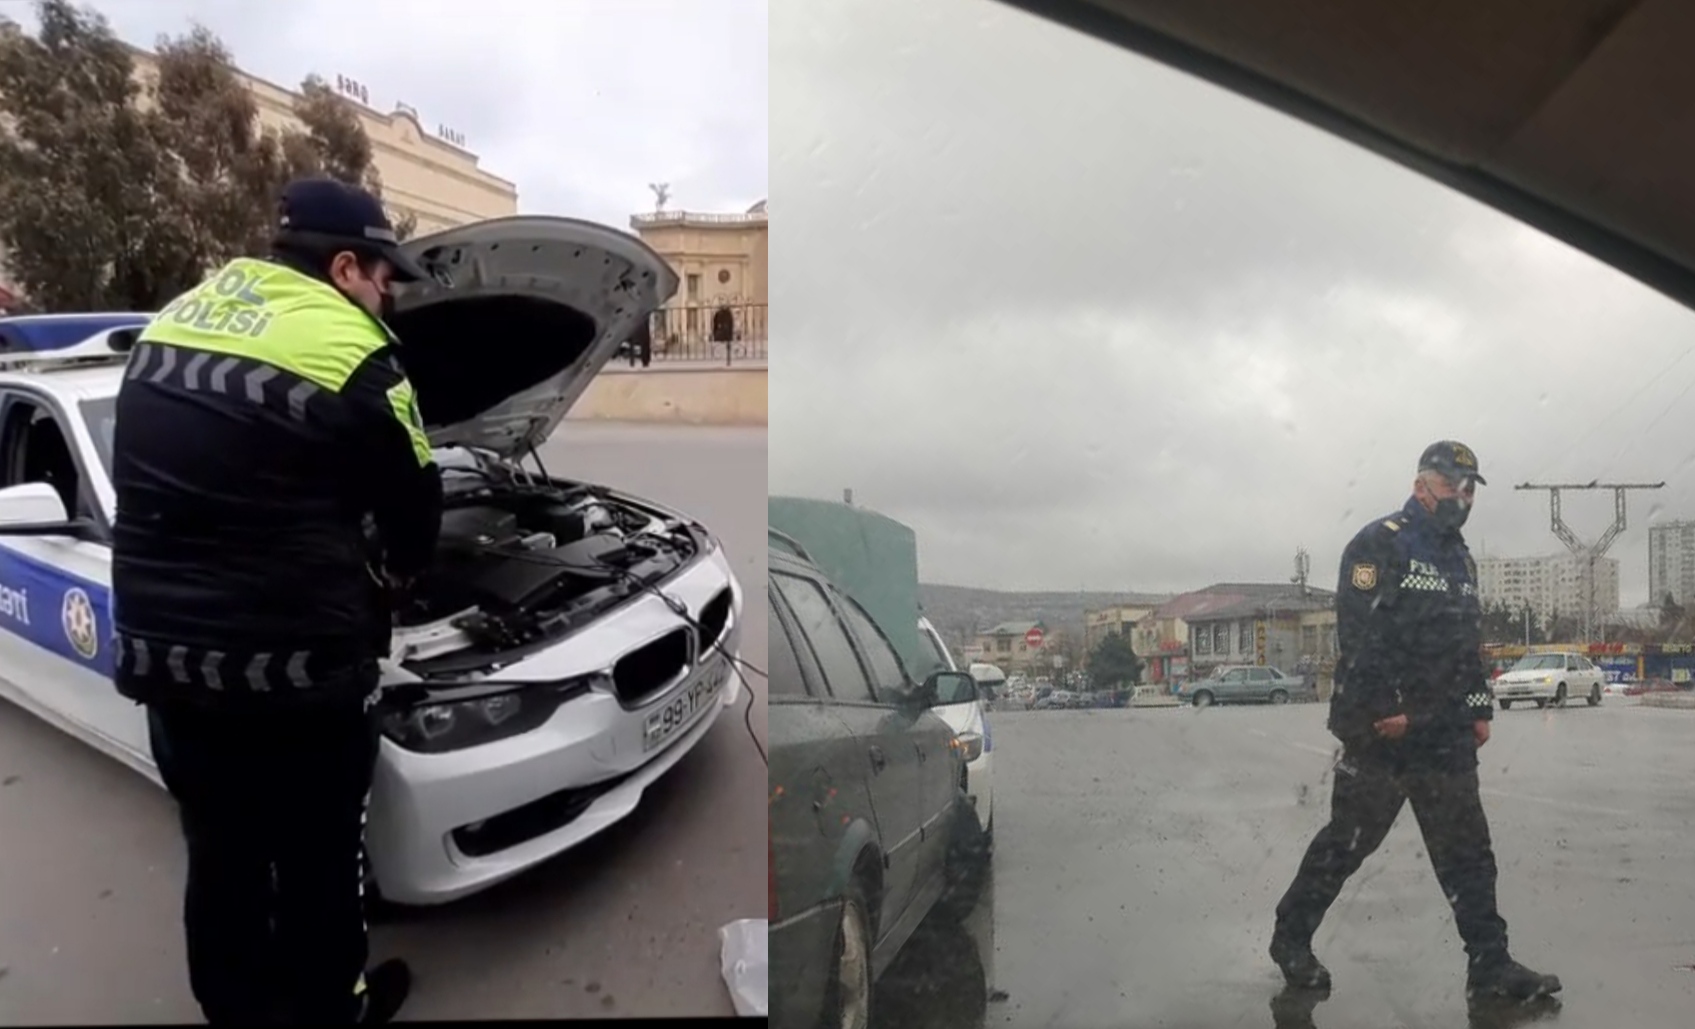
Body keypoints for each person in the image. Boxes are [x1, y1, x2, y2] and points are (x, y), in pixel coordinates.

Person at [109, 177, 444, 1025]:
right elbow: (415, 511)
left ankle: (233, 1009)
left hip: (167, 664)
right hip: (298, 678)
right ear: (342, 267)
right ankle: (339, 1006)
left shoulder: (173, 318)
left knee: (217, 855)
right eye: (381, 276)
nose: (387, 294)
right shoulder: (356, 348)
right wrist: (393, 585)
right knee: (319, 861)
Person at [1268, 441, 1561, 1002]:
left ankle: (1490, 966)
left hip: (1443, 730)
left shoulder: (1460, 557)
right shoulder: (1381, 542)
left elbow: (1463, 641)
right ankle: (1290, 939)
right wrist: (1387, 709)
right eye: (1453, 484)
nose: (1463, 496)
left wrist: (1477, 708)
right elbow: (1362, 635)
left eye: (1470, 487)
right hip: (1385, 733)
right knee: (1348, 844)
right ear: (1422, 483)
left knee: (1469, 852)